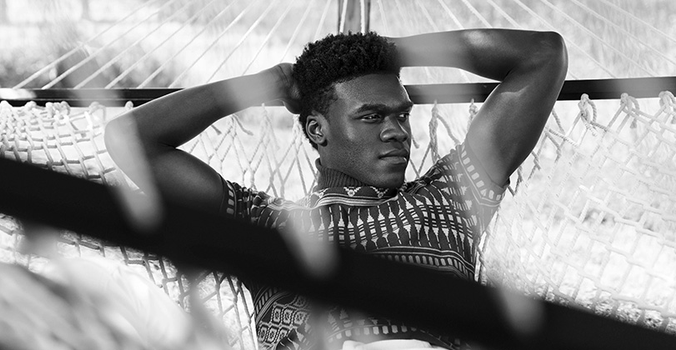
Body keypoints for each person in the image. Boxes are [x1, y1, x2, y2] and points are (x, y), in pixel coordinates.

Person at [104, 29, 568, 350]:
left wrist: (389, 51)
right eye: (371, 116)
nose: (397, 132)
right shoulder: (262, 224)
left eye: (401, 114)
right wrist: (257, 86)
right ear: (317, 130)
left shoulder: (449, 198)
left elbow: (544, 55)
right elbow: (130, 139)